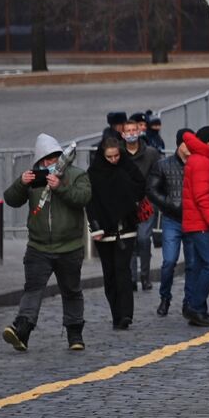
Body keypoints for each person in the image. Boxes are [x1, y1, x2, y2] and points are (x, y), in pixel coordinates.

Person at [2, 135, 92, 352]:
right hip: (38, 247)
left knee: (71, 291)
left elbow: (83, 197)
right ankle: (22, 330)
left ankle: (75, 334)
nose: (48, 163)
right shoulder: (34, 178)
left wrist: (60, 187)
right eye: (44, 160)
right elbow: (11, 199)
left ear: (60, 156)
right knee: (32, 289)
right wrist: (21, 183)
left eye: (52, 158)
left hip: (70, 247)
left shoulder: (76, 175)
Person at [86, 137, 147, 330]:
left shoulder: (126, 167)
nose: (114, 160)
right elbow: (90, 202)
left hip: (126, 227)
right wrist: (95, 226)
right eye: (109, 157)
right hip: (103, 230)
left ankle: (126, 314)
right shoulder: (94, 173)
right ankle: (116, 314)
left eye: (116, 156)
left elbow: (140, 185)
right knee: (109, 273)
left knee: (122, 270)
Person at [181, 127, 209, 328]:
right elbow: (202, 197)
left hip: (197, 222)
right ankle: (196, 307)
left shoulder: (200, 159)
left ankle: (196, 308)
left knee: (200, 266)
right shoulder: (201, 162)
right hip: (201, 223)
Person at [149, 130, 189, 317]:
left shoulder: (197, 163)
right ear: (179, 144)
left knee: (192, 263)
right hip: (171, 219)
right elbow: (152, 189)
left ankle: (189, 300)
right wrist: (169, 203)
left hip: (192, 219)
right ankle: (165, 297)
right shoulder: (163, 165)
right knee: (169, 261)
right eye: (187, 143)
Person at [121, 113, 161, 293]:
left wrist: (152, 196)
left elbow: (157, 176)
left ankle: (145, 276)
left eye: (134, 130)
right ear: (123, 134)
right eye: (128, 131)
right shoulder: (119, 154)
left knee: (144, 239)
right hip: (125, 203)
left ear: (139, 131)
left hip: (146, 202)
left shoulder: (151, 153)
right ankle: (131, 278)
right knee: (130, 240)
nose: (131, 133)